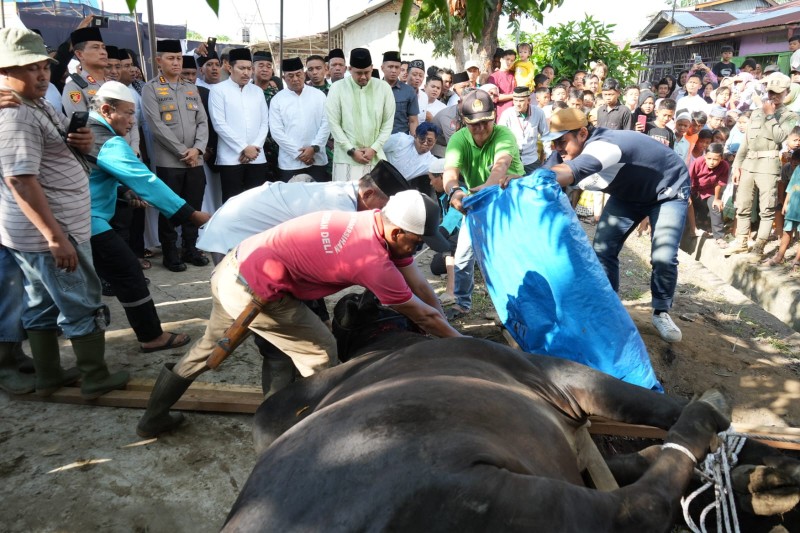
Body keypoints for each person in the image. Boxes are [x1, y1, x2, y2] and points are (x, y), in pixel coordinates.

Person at [136, 189, 460, 437]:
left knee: (211, 349)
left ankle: (153, 418)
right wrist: (463, 345)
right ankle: (322, 434)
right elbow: (423, 316)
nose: (418, 251)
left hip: (234, 267)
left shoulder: (374, 221)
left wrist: (441, 318)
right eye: (417, 244)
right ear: (398, 233)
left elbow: (420, 286)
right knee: (321, 351)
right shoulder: (371, 258)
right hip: (255, 292)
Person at [0, 28, 129, 398]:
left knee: (41, 302)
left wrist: (80, 143)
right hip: (51, 232)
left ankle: (49, 375)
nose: (41, 75)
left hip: (41, 231)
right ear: (4, 71)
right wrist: (56, 238)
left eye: (43, 66)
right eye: (28, 68)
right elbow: (21, 181)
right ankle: (95, 376)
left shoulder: (33, 104)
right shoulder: (16, 116)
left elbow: (50, 155)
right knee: (81, 300)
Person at [543, 107, 690, 343]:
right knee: (603, 248)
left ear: (582, 133)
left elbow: (571, 172)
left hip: (668, 190)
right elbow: (544, 173)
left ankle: (661, 311)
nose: (558, 149)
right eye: (554, 144)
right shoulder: (564, 152)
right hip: (629, 194)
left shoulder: (603, 146)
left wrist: (535, 182)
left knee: (663, 256)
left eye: (562, 142)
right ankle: (609, 307)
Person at [86, 81, 210, 351]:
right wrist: (190, 214)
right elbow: (146, 181)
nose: (132, 122)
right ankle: (151, 336)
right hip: (87, 221)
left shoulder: (88, 129)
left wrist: (125, 194)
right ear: (107, 110)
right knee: (130, 273)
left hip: (84, 217)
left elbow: (94, 176)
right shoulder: (107, 141)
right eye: (128, 114)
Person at [443, 90, 524, 319]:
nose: (480, 129)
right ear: (464, 122)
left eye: (485, 123)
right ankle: (461, 303)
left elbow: (500, 167)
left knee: (505, 257)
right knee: (463, 256)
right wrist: (454, 191)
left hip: (507, 199)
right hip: (475, 201)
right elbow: (450, 173)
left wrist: (485, 188)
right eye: (473, 124)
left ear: (494, 117)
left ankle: (512, 307)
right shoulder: (458, 140)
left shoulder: (504, 135)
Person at [141, 39, 209, 271]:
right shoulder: (150, 89)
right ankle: (171, 254)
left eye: (179, 58)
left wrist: (197, 149)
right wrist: (183, 151)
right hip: (170, 161)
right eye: (171, 58)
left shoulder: (191, 87)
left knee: (194, 206)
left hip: (195, 160)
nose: (176, 62)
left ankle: (190, 249)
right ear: (159, 61)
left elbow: (203, 122)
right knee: (170, 210)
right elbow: (156, 125)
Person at [731, 73, 799, 257]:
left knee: (766, 208)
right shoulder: (756, 112)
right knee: (743, 204)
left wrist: (770, 116)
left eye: (778, 92)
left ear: (787, 92)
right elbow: (746, 141)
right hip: (749, 162)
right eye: (770, 92)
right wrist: (737, 165)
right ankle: (741, 240)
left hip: (768, 165)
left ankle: (759, 247)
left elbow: (778, 137)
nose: (773, 96)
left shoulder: (789, 115)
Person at [325, 48, 395, 182]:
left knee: (374, 201)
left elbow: (387, 123)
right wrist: (351, 151)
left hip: (375, 158)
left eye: (367, 72)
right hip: (346, 159)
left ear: (372, 68)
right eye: (358, 73)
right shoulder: (337, 88)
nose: (363, 77)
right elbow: (334, 125)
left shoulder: (384, 88)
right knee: (345, 200)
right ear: (350, 69)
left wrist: (373, 149)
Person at [210, 48, 269, 200]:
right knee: (232, 201)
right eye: (241, 68)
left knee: (256, 201)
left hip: (257, 156)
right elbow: (219, 124)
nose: (246, 73)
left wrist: (254, 148)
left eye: (249, 69)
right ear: (230, 68)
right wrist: (243, 148)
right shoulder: (218, 90)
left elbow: (264, 123)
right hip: (230, 158)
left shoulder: (257, 91)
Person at [268, 57, 329, 182]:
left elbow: (326, 124)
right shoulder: (277, 100)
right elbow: (276, 132)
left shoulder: (319, 96)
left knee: (318, 199)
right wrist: (299, 154)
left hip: (317, 159)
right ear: (284, 78)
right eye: (290, 76)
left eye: (298, 74)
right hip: (290, 162)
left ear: (304, 74)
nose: (295, 79)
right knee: (292, 199)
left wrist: (314, 148)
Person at [499, 86, 549, 174]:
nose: (518, 104)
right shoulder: (507, 114)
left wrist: (548, 155)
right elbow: (500, 138)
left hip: (531, 160)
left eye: (521, 101)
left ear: (529, 101)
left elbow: (546, 135)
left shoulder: (538, 113)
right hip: (512, 161)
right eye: (515, 100)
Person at [689, 143, 729, 248]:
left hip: (709, 191)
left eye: (715, 159)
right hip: (694, 189)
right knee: (689, 205)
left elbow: (719, 183)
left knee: (716, 206)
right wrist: (690, 193)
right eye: (709, 158)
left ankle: (719, 237)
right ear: (705, 156)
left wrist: (716, 199)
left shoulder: (724, 166)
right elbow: (689, 178)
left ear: (721, 158)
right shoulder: (698, 162)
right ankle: (692, 228)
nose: (711, 162)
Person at [383, 121, 440, 195]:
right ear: (415, 136)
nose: (425, 143)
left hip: (393, 190)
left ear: (435, 142)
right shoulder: (400, 140)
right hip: (376, 175)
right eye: (422, 139)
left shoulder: (431, 162)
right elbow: (377, 147)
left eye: (429, 141)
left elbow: (447, 168)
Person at [766, 149, 800, 269]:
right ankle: (779, 256)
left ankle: (797, 259)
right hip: (793, 207)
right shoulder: (797, 171)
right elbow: (790, 188)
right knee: (787, 232)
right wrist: (785, 203)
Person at [61, 27, 107, 116]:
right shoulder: (74, 87)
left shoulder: (113, 83)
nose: (103, 52)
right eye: (96, 47)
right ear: (79, 54)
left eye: (103, 48)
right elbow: (82, 125)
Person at [380, 51, 418, 136]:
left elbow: (413, 121)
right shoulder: (374, 89)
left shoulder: (409, 91)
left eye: (397, 67)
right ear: (382, 68)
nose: (394, 70)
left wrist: (414, 141)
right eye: (390, 67)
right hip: (377, 142)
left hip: (401, 142)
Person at [487, 49, 517, 120]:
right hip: (501, 113)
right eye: (507, 59)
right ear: (501, 59)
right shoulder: (494, 77)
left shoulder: (515, 74)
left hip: (516, 113)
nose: (509, 62)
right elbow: (494, 97)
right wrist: (514, 95)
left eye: (512, 60)